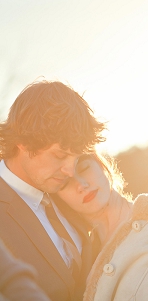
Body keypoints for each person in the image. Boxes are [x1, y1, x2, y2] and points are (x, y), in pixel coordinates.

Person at [0, 80, 106, 301]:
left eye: (76, 157)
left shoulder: (63, 190)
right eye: (59, 155)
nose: (70, 170)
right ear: (23, 142)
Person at [55, 152, 148, 301]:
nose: (81, 185)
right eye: (66, 183)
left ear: (101, 164)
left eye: (84, 168)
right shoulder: (78, 254)